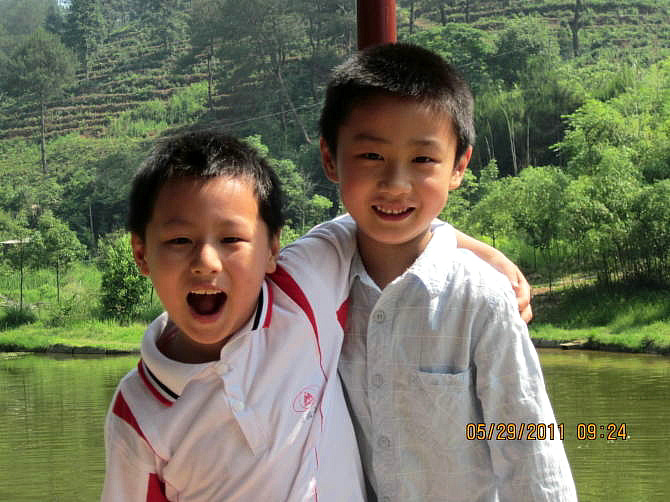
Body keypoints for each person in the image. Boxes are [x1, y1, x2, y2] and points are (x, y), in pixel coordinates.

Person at [312, 43, 578, 501]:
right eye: (371, 156)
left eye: (423, 160)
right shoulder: (316, 282)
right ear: (330, 158)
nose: (396, 184)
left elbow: (528, 446)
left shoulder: (482, 298)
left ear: (458, 167)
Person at [101, 131, 366, 501]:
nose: (206, 262)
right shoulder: (137, 410)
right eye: (179, 241)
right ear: (142, 254)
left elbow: (389, 216)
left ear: (271, 249)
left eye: (231, 240)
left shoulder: (302, 291)